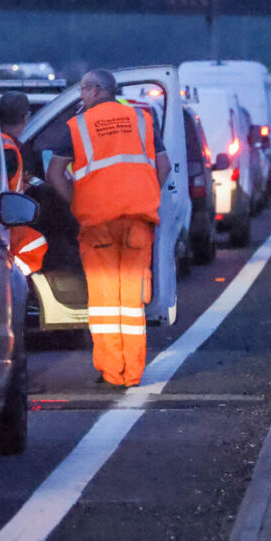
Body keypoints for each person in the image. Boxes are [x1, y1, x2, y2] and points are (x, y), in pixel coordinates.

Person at [45, 69, 168, 388]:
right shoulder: (142, 121)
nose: (82, 96)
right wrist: (144, 192)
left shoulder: (77, 126)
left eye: (83, 90)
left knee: (103, 301)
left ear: (95, 91)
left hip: (97, 222)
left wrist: (77, 202)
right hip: (138, 220)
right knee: (131, 299)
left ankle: (113, 371)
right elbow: (164, 166)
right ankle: (133, 371)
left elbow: (55, 174)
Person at [0, 91, 47, 276]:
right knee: (37, 243)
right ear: (26, 118)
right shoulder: (8, 149)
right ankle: (13, 279)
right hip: (7, 223)